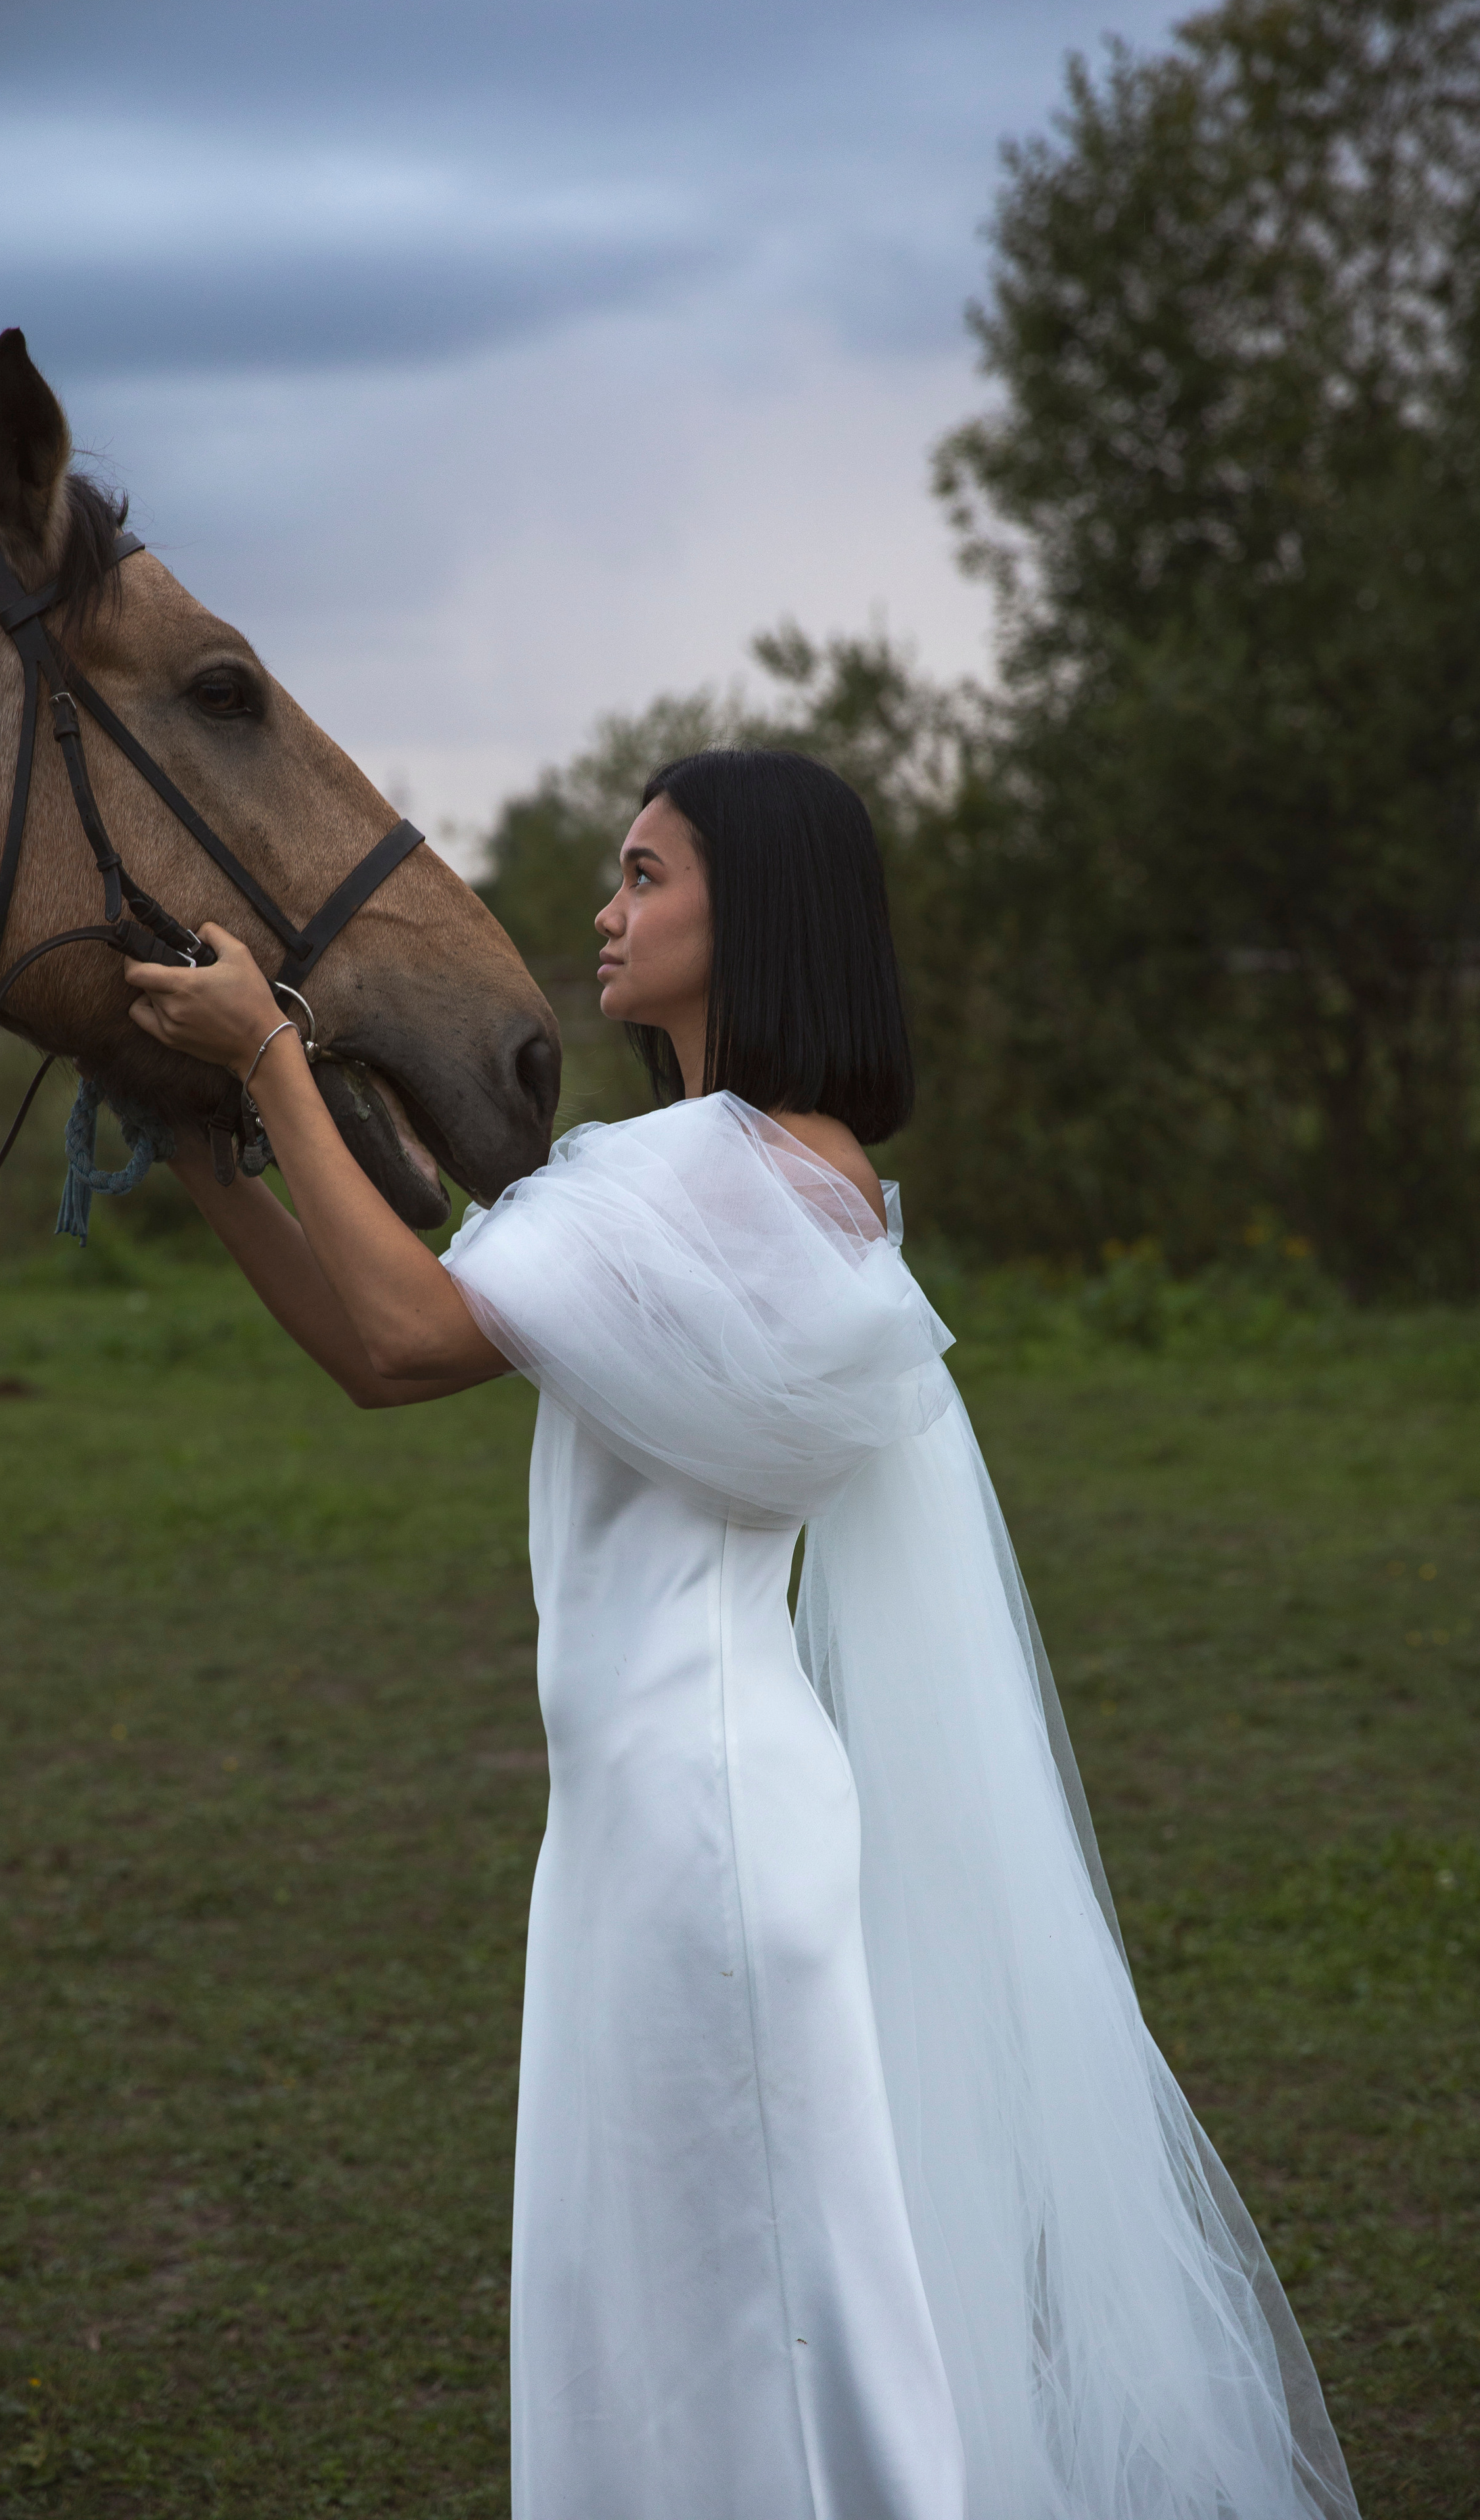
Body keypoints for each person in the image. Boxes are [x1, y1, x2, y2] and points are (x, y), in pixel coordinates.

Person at [127, 750, 1358, 2520]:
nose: (604, 912)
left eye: (645, 878)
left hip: (699, 1825)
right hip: (662, 1820)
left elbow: (403, 1333)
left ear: (752, 916)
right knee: (702, 2310)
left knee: (746, 2326)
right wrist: (206, 1153)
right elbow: (378, 1346)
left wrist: (264, 1058)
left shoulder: (706, 1176)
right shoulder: (779, 1179)